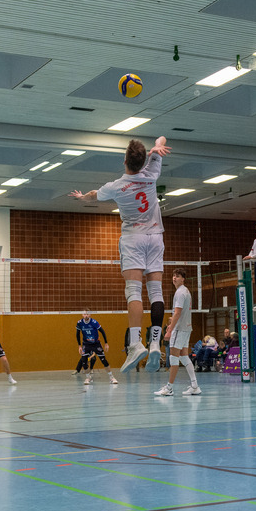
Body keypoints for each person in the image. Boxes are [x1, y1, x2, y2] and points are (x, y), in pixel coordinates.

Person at [70, 136, 171, 374]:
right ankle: (154, 343)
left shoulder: (116, 186)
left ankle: (135, 344)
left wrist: (82, 197)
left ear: (125, 161)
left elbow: (93, 195)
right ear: (144, 160)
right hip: (156, 237)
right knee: (156, 291)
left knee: (134, 291)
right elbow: (161, 140)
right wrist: (157, 146)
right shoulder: (152, 173)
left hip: (133, 238)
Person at [154, 268, 200, 396]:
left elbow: (177, 313)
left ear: (183, 279)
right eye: (174, 275)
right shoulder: (185, 291)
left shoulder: (180, 293)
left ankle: (169, 388)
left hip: (179, 329)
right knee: (184, 357)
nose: (175, 278)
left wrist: (169, 330)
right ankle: (195, 386)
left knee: (173, 358)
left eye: (178, 276)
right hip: (186, 328)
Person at [75, 311, 117, 385]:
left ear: (90, 315)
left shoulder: (94, 322)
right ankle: (88, 377)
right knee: (84, 361)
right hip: (86, 344)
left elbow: (102, 331)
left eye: (87, 314)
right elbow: (77, 334)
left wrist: (106, 343)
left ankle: (111, 377)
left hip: (96, 344)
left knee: (103, 360)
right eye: (84, 314)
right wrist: (79, 346)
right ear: (82, 315)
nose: (86, 315)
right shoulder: (79, 323)